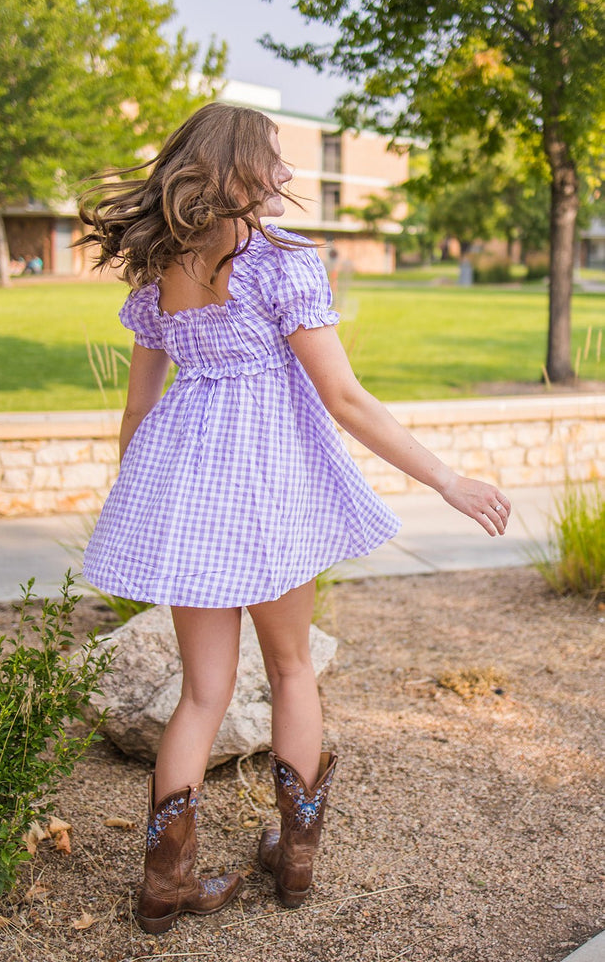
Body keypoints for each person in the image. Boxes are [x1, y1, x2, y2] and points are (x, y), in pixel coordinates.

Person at [77, 103, 511, 934]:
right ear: (236, 168)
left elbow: (136, 416)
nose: (284, 176)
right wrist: (447, 479)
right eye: (272, 160)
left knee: (201, 693)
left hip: (187, 492)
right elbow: (342, 396)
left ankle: (164, 881)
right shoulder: (282, 263)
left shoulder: (158, 272)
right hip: (270, 489)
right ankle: (296, 858)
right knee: (292, 672)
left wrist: (138, 504)